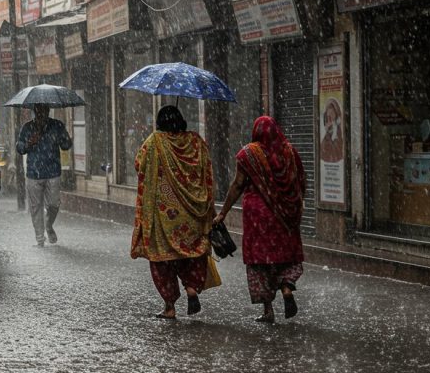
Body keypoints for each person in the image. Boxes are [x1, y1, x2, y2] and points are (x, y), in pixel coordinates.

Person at [215, 115, 306, 323]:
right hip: (284, 217)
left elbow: (238, 184)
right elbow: (300, 181)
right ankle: (286, 287)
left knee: (260, 262)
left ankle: (268, 310)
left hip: (257, 216)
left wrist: (223, 212)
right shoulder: (289, 152)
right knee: (286, 256)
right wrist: (294, 207)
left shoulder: (248, 154)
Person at [131, 106, 214, 319]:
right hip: (192, 212)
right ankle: (191, 288)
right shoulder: (196, 142)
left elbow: (139, 164)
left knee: (162, 260)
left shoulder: (154, 142)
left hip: (163, 215)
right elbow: (206, 169)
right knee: (191, 255)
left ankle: (169, 306)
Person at [16, 103, 72, 246]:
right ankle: (40, 238)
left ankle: (48, 225)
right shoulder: (27, 127)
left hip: (53, 172)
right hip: (33, 174)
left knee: (54, 204)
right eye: (38, 111)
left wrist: (61, 137)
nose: (41, 113)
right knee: (36, 207)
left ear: (48, 111)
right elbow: (20, 148)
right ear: (35, 111)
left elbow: (66, 145)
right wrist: (29, 143)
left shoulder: (57, 125)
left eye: (44, 110)